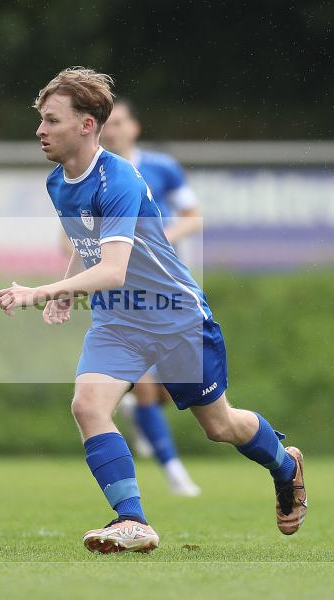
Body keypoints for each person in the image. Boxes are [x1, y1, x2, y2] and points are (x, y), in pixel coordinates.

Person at [0, 67, 306, 554]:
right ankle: (132, 520)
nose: (40, 130)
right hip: (119, 321)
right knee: (87, 406)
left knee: (219, 426)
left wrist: (44, 289)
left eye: (51, 120)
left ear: (86, 125)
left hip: (174, 317)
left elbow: (115, 269)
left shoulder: (116, 177)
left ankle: (285, 465)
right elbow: (89, 242)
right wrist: (67, 291)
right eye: (40, 119)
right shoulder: (59, 182)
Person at [100, 98, 202, 497]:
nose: (113, 130)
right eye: (107, 124)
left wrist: (159, 241)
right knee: (145, 383)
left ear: (134, 127)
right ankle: (175, 472)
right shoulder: (93, 175)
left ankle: (139, 414)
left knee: (173, 386)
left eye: (120, 122)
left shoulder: (161, 168)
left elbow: (195, 216)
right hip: (120, 291)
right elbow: (70, 235)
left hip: (168, 287)